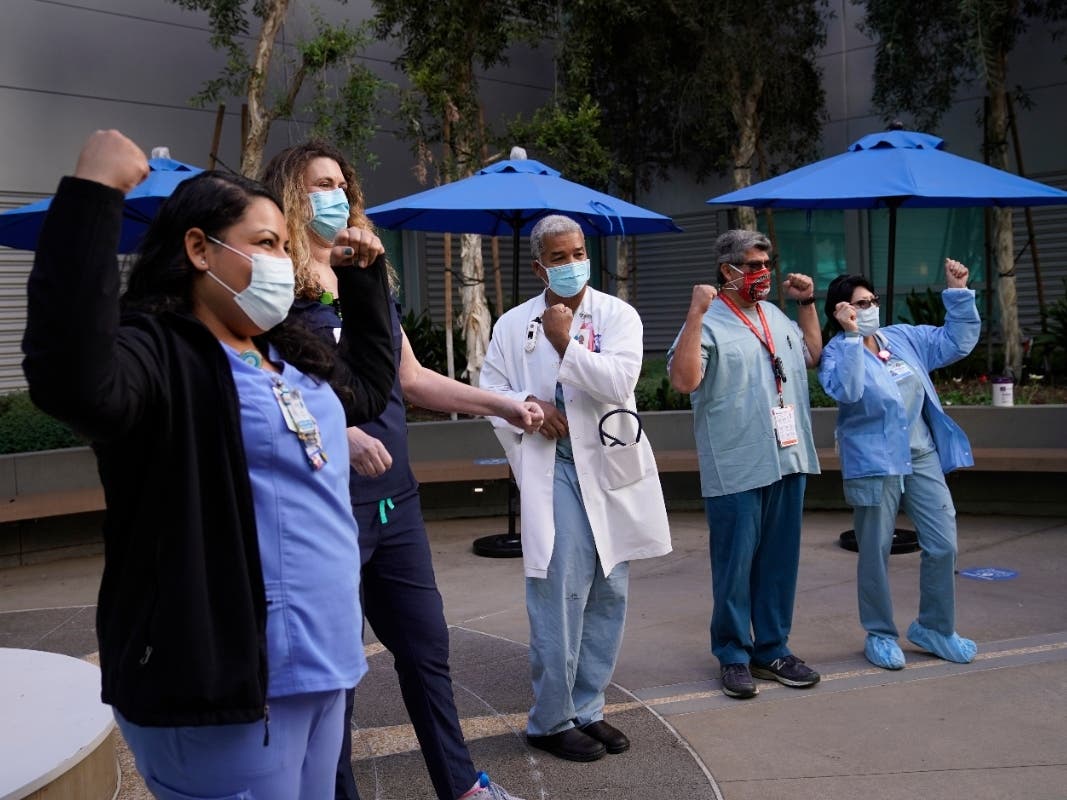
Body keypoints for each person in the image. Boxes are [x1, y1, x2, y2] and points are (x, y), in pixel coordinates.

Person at [21, 130, 396, 798]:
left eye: (285, 245)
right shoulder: (160, 353)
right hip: (223, 682)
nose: (284, 261)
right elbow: (69, 377)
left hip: (324, 662)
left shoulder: (283, 350)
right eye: (264, 244)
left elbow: (367, 392)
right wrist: (92, 195)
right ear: (198, 248)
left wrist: (365, 280)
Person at [263, 141, 543, 800]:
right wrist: (344, 430)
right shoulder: (275, 289)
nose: (335, 194)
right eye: (320, 183)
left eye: (342, 182)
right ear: (290, 196)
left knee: (426, 651)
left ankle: (461, 784)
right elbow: (267, 390)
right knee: (336, 677)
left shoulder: (366, 281)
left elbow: (410, 379)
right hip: (325, 509)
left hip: (395, 504)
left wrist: (500, 402)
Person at [479, 214, 672, 763]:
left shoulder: (617, 315)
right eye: (558, 257)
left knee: (610, 590)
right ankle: (549, 719)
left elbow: (619, 382)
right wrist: (527, 410)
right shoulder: (514, 324)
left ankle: (587, 708)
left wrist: (567, 342)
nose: (571, 264)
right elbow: (492, 388)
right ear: (539, 265)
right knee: (560, 591)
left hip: (609, 464)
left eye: (578, 253)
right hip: (552, 464)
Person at [667, 229, 823, 700]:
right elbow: (683, 380)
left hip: (787, 456)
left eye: (765, 264)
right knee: (735, 565)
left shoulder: (776, 315)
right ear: (727, 270)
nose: (762, 275)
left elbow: (812, 355)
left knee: (779, 562)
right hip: (736, 462)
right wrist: (695, 312)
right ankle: (733, 654)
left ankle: (772, 649)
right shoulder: (708, 320)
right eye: (752, 266)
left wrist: (808, 303)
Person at [817, 261, 981, 670]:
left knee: (943, 544)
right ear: (841, 311)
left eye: (872, 300)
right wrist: (853, 337)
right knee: (875, 550)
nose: (870, 308)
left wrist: (958, 293)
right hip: (874, 462)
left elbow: (954, 343)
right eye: (860, 303)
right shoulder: (837, 352)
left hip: (920, 453)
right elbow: (850, 391)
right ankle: (880, 632)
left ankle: (935, 628)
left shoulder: (902, 337)